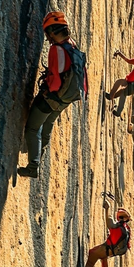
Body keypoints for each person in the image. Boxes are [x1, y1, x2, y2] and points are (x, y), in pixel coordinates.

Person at [18, 11, 87, 178]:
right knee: (47, 127)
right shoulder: (73, 46)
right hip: (67, 98)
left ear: (53, 32)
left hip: (52, 97)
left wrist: (47, 92)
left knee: (33, 128)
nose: (48, 37)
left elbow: (55, 81)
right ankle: (39, 157)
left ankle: (33, 166)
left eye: (48, 33)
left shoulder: (56, 50)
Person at [84, 199, 131, 267]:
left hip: (109, 248)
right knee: (103, 256)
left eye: (119, 217)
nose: (118, 218)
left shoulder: (119, 228)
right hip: (113, 250)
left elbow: (110, 223)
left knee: (92, 255)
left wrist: (107, 208)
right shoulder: (126, 229)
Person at [105, 50, 134, 118]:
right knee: (120, 85)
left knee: (123, 92)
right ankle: (110, 96)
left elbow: (128, 61)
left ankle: (118, 111)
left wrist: (120, 54)